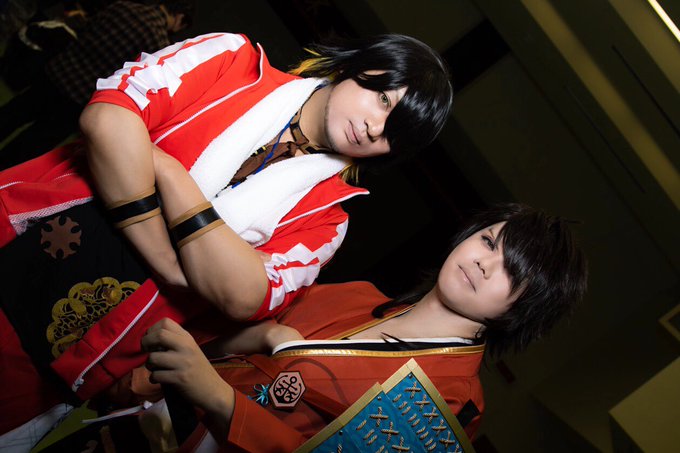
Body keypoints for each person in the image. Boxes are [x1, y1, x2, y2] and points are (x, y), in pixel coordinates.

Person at [0, 31, 453, 438]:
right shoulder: (232, 61)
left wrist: (166, 168)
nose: (375, 128)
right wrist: (172, 262)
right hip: (25, 238)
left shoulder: (328, 220)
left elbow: (243, 297)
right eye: (383, 100)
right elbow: (108, 119)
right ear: (361, 66)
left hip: (80, 348)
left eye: (393, 135)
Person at [84, 203, 588, 451]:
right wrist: (261, 338)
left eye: (511, 273)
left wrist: (220, 400)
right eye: (488, 242)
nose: (483, 262)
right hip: (142, 425)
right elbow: (227, 341)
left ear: (523, 309)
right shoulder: (360, 296)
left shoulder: (454, 401)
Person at [0, 0, 194, 170]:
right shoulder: (157, 43)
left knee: (11, 114)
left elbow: (84, 30)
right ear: (179, 17)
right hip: (79, 97)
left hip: (58, 72)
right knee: (30, 144)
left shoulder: (123, 6)